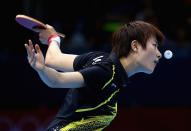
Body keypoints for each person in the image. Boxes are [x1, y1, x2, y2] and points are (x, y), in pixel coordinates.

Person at [24, 20, 165, 131]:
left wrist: (53, 38)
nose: (159, 54)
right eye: (154, 45)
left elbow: (53, 59)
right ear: (135, 46)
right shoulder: (106, 72)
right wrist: (41, 68)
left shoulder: (101, 61)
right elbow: (57, 80)